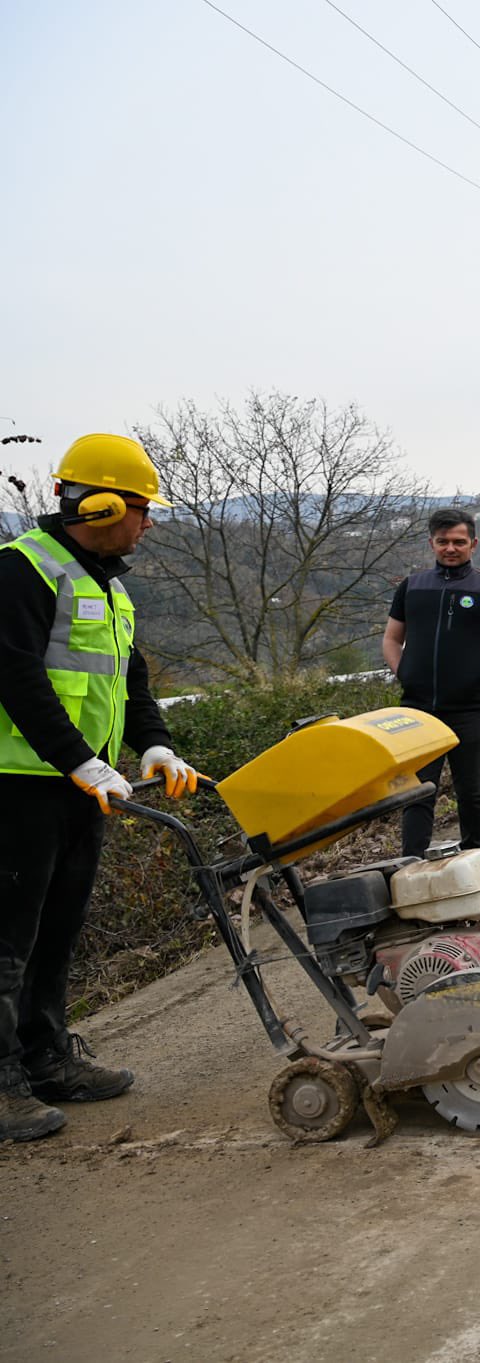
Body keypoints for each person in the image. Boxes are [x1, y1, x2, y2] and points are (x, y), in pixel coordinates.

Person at [0, 433, 200, 1142]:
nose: (147, 524)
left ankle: (47, 1058)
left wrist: (154, 742)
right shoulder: (22, 571)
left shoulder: (104, 582)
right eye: (142, 510)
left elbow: (129, 678)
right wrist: (78, 759)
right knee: (7, 940)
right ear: (105, 502)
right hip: (18, 786)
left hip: (82, 789)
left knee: (57, 932)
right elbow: (16, 676)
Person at [383, 507, 480, 859]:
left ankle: (474, 854)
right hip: (416, 708)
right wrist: (405, 673)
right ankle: (410, 863)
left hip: (468, 706)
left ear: (472, 544)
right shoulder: (411, 587)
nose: (450, 548)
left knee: (470, 789)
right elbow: (390, 639)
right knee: (417, 791)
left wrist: (478, 676)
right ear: (431, 543)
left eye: (459, 542)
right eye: (443, 541)